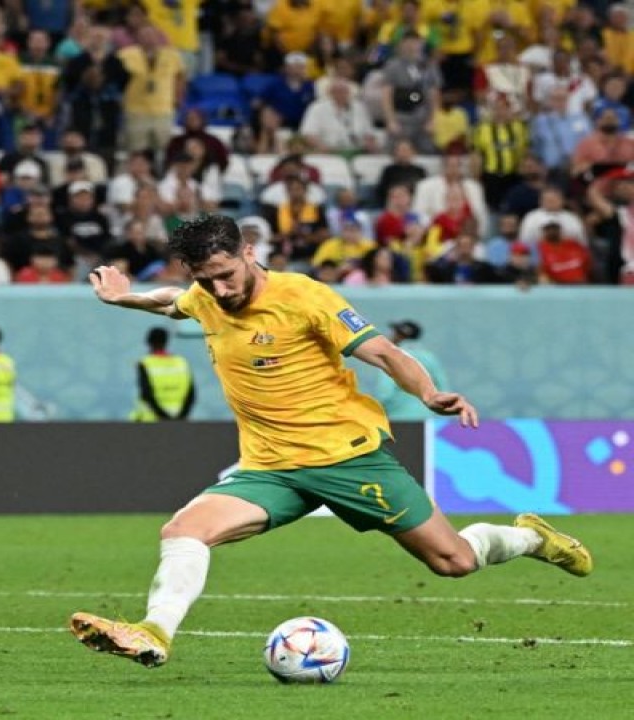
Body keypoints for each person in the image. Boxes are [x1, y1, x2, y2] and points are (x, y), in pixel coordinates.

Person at [70, 214, 593, 669]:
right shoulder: (207, 298)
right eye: (207, 282)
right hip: (269, 468)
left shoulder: (305, 298)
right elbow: (173, 303)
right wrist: (126, 298)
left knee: (451, 561)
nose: (221, 291)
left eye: (227, 276)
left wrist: (428, 392)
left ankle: (530, 537)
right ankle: (154, 632)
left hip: (348, 459)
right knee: (184, 530)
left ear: (249, 253)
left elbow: (384, 353)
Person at [373, 320, 450, 421]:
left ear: (400, 336)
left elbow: (385, 393)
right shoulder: (430, 358)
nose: (390, 336)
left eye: (394, 333)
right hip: (427, 420)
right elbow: (444, 389)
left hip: (398, 419)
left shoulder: (392, 357)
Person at [131, 327, 195, 422]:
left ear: (148, 342)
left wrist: (164, 417)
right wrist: (181, 416)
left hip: (151, 420)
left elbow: (146, 394)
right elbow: (191, 394)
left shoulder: (145, 363)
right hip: (179, 419)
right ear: (166, 342)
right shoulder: (181, 363)